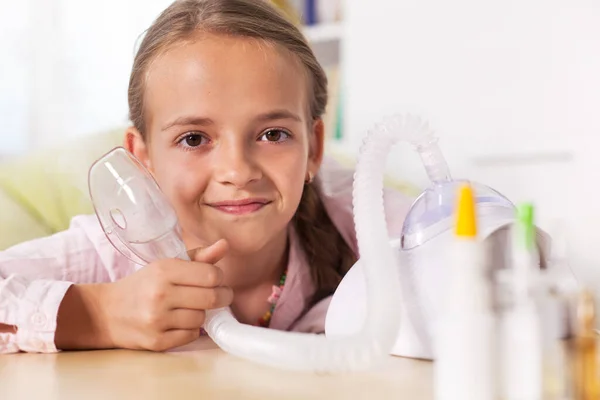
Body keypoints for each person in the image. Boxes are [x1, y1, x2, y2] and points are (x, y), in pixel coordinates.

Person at [0, 0, 412, 354]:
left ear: (314, 148)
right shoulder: (112, 254)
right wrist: (97, 314)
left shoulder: (360, 219)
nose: (237, 171)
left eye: (273, 134)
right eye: (194, 138)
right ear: (143, 160)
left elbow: (464, 248)